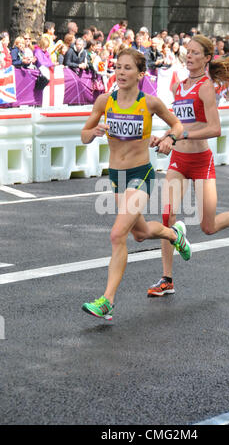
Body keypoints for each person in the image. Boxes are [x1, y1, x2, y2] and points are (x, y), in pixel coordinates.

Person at [147, 34, 229, 297]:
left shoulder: (206, 87)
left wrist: (182, 135)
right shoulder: (178, 87)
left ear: (206, 58)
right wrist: (165, 136)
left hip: (201, 161)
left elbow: (215, 128)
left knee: (208, 227)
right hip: (178, 160)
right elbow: (178, 125)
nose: (189, 56)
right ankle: (167, 279)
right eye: (187, 52)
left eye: (195, 53)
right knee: (167, 215)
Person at [81, 47, 192, 320]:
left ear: (141, 74)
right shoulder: (104, 101)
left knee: (117, 234)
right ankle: (174, 235)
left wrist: (169, 139)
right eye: (118, 67)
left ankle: (107, 301)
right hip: (116, 176)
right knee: (140, 233)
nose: (121, 72)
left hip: (140, 174)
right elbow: (84, 135)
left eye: (128, 68)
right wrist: (92, 132)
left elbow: (178, 126)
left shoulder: (150, 103)